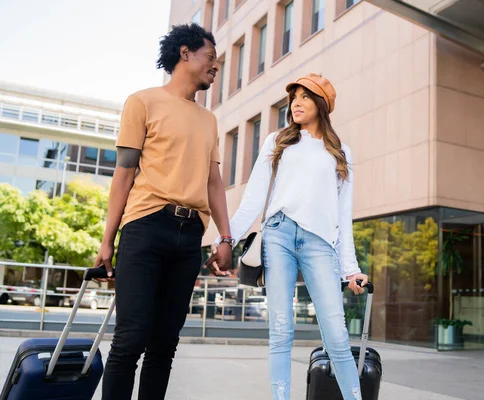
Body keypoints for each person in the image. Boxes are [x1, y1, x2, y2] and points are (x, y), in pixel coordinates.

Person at [94, 23, 234, 400]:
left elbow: (214, 182)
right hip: (145, 228)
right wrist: (107, 240)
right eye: (210, 58)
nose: (215, 67)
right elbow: (123, 174)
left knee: (164, 344)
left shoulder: (209, 120)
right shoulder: (143, 102)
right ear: (184, 53)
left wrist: (225, 237)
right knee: (130, 339)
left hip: (189, 237)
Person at [209, 73, 369, 400]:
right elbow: (253, 197)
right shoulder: (277, 142)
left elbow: (343, 215)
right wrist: (227, 238)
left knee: (337, 335)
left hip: (319, 243)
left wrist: (350, 268)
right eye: (293, 97)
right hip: (278, 236)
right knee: (281, 332)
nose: (296, 103)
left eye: (305, 97)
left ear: (322, 105)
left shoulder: (340, 152)